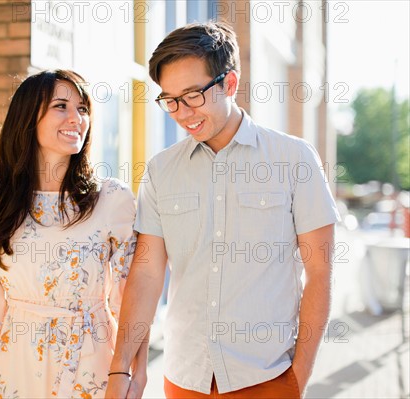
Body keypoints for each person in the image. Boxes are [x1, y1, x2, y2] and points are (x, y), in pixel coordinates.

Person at [106, 22, 340, 399]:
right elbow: (148, 275)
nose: (182, 113)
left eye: (193, 95)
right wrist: (122, 367)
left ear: (229, 84)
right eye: (170, 100)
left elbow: (320, 273)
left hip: (268, 379)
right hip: (185, 380)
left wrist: (298, 378)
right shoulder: (161, 171)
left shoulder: (294, 159)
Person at [0, 70, 147, 399]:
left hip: (92, 368)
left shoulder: (112, 199)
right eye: (61, 106)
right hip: (17, 370)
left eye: (83, 109)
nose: (76, 118)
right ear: (28, 119)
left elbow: (132, 298)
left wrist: (135, 376)